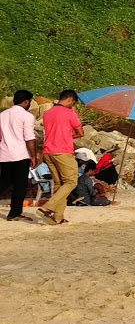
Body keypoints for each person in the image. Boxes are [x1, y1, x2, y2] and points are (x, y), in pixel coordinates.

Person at [36, 90, 83, 226]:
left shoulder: (47, 113)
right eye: (73, 103)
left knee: (59, 184)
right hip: (62, 151)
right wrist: (70, 135)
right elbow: (80, 132)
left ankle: (58, 217)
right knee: (71, 182)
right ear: (70, 99)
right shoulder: (69, 113)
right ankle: (47, 207)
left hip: (48, 151)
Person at [1, 90, 38, 221]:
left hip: (4, 154)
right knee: (20, 185)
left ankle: (15, 213)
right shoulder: (26, 116)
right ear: (26, 101)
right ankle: (15, 213)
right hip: (20, 154)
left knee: (4, 181)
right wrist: (33, 156)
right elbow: (29, 138)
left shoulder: (2, 115)